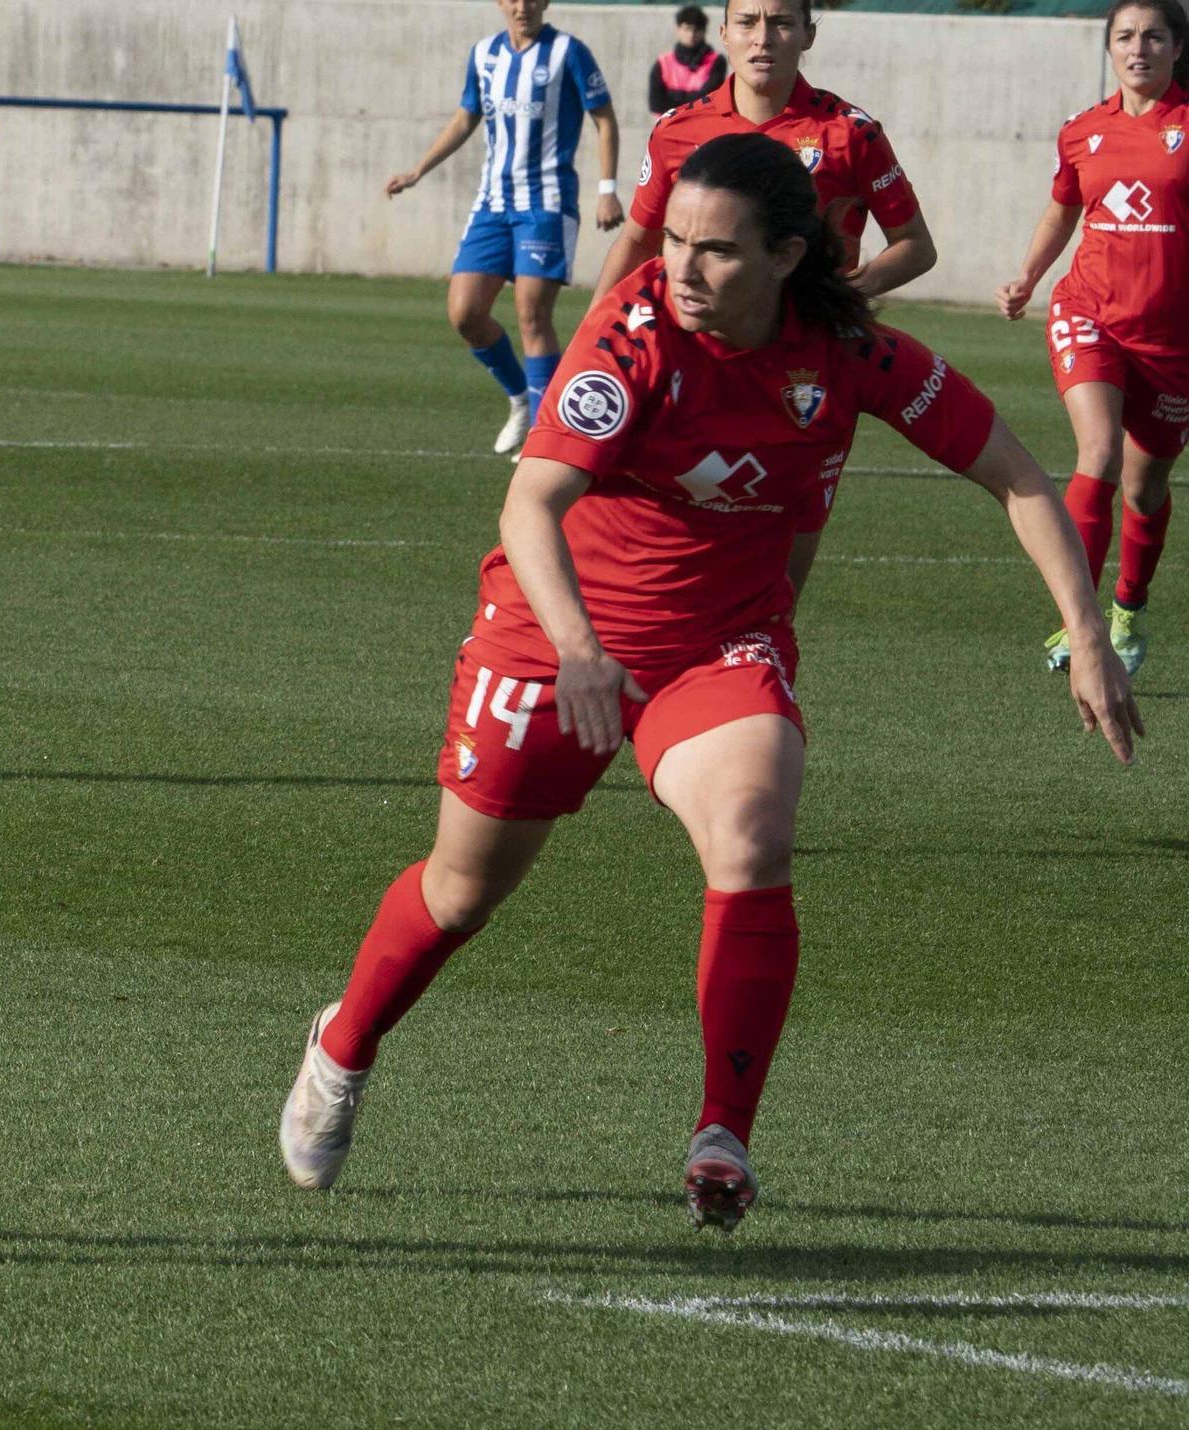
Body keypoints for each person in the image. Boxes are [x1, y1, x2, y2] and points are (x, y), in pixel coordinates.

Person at [280, 133, 1139, 1234]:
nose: (679, 266)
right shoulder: (631, 337)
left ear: (788, 255)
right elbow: (528, 505)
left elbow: (1017, 476)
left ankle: (719, 1133)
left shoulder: (848, 352)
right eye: (675, 239)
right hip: (553, 641)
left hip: (716, 644)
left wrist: (1086, 631)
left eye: (715, 250)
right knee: (460, 893)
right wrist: (582, 646)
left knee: (751, 830)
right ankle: (342, 1045)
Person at [997, 0, 1189, 679]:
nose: (1139, 48)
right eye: (1126, 37)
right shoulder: (1082, 131)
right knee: (1099, 452)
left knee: (1144, 488)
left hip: (1172, 342)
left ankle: (1129, 610)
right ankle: (1080, 625)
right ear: (1110, 48)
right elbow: (1062, 210)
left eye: (1154, 36)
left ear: (1176, 47)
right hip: (1090, 314)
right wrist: (1027, 275)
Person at [385, 0, 623, 456]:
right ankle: (519, 398)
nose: (523, 6)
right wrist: (418, 170)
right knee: (464, 313)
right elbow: (465, 118)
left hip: (546, 205)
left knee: (532, 314)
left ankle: (544, 438)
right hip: (492, 206)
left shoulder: (568, 52)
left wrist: (607, 188)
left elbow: (605, 119)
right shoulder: (484, 55)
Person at [594, 0, 935, 305]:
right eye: (746, 22)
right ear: (724, 33)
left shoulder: (851, 133)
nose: (763, 38)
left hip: (809, 357)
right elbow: (638, 244)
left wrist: (840, 298)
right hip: (702, 352)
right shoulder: (675, 131)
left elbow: (915, 247)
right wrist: (588, 344)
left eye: (781, 23)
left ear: (808, 35)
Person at [650, 5, 728, 115]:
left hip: (702, 124)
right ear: (678, 29)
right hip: (669, 127)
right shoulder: (663, 63)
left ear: (704, 31)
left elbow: (709, 99)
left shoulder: (716, 61)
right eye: (687, 29)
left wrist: (674, 96)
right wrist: (691, 99)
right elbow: (656, 104)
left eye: (696, 30)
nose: (691, 35)